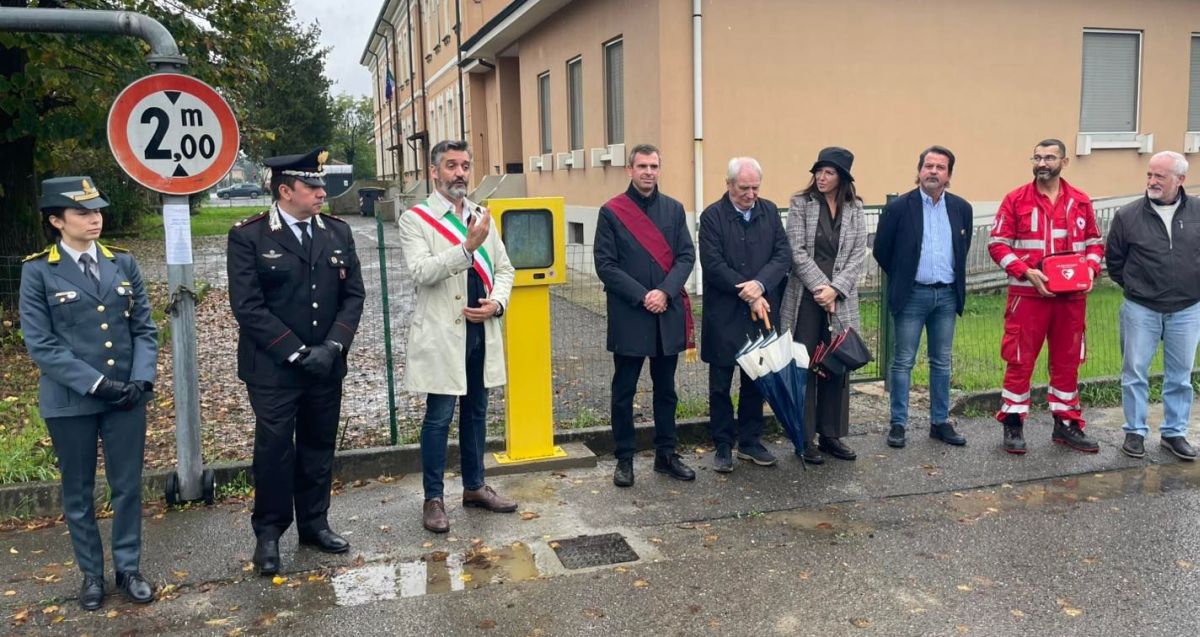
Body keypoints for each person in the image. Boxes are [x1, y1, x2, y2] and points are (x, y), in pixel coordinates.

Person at [19, 176, 158, 610]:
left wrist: (141, 380)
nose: (95, 218)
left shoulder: (123, 263)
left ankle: (129, 569)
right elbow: (41, 344)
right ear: (56, 220)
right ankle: (91, 575)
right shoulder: (38, 270)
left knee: (127, 486)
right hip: (71, 400)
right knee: (78, 492)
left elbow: (144, 328)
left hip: (126, 398)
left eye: (97, 210)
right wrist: (97, 384)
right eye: (82, 212)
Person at [227, 147, 365, 574]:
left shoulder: (337, 232)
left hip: (325, 364)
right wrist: (295, 350)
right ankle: (268, 534)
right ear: (285, 191)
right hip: (273, 368)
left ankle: (314, 523)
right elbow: (248, 306)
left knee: (318, 445)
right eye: (312, 186)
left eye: (321, 185)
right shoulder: (250, 236)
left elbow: (353, 296)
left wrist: (333, 347)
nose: (322, 192)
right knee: (274, 450)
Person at [398, 140, 518, 534]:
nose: (460, 173)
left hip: (480, 329)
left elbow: (505, 269)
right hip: (442, 333)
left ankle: (475, 486)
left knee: (477, 412)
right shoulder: (416, 219)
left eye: (465, 165)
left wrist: (497, 304)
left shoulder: (482, 215)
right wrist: (466, 248)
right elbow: (422, 272)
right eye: (451, 165)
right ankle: (433, 498)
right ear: (434, 172)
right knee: (439, 418)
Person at [987, 139, 1103, 454]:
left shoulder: (1080, 200)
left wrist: (1091, 269)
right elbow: (997, 244)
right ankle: (1013, 423)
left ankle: (1066, 424)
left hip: (1071, 300)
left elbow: (1094, 241)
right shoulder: (1015, 199)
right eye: (1037, 157)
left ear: (1064, 162)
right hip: (1028, 297)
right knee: (1019, 360)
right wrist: (1026, 272)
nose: (1042, 163)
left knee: (1068, 362)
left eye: (1049, 158)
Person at [594, 143, 697, 486]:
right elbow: (606, 265)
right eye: (642, 166)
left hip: (666, 312)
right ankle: (624, 459)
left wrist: (664, 291)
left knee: (666, 390)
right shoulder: (611, 212)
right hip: (630, 314)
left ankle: (666, 454)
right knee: (624, 391)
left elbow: (685, 256)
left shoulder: (674, 209)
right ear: (630, 169)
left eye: (654, 166)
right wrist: (643, 296)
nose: (648, 172)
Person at [873, 146, 973, 449]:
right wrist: (904, 276)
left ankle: (940, 422)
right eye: (928, 166)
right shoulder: (899, 208)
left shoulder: (961, 208)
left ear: (949, 175)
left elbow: (963, 247)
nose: (933, 171)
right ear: (919, 171)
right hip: (912, 295)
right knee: (903, 361)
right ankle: (898, 424)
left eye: (940, 167)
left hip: (946, 296)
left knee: (941, 362)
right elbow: (882, 250)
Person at [1106, 151, 1200, 461]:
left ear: (1180, 179)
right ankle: (1135, 431)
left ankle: (1174, 433)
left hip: (1187, 309)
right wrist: (1136, 287)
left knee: (1180, 375)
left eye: (1160, 176)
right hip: (1141, 308)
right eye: (1149, 174)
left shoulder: (1198, 211)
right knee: (1134, 371)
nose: (1152, 181)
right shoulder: (1128, 215)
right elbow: (1115, 260)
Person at [698, 157, 790, 472]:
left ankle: (751, 442)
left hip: (762, 311)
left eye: (755, 188)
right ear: (729, 185)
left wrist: (760, 285)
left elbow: (782, 255)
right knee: (720, 385)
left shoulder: (769, 211)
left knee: (756, 381)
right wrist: (750, 293)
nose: (751, 194)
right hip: (725, 313)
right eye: (744, 188)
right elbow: (713, 264)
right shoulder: (712, 216)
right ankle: (723, 444)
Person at [779, 147, 868, 464]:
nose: (821, 177)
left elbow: (858, 254)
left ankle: (831, 435)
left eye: (828, 172)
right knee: (804, 364)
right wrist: (822, 289)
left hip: (840, 301)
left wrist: (835, 290)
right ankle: (804, 438)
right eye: (818, 171)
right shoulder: (801, 204)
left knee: (835, 365)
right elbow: (796, 250)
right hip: (806, 299)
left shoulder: (855, 208)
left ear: (842, 177)